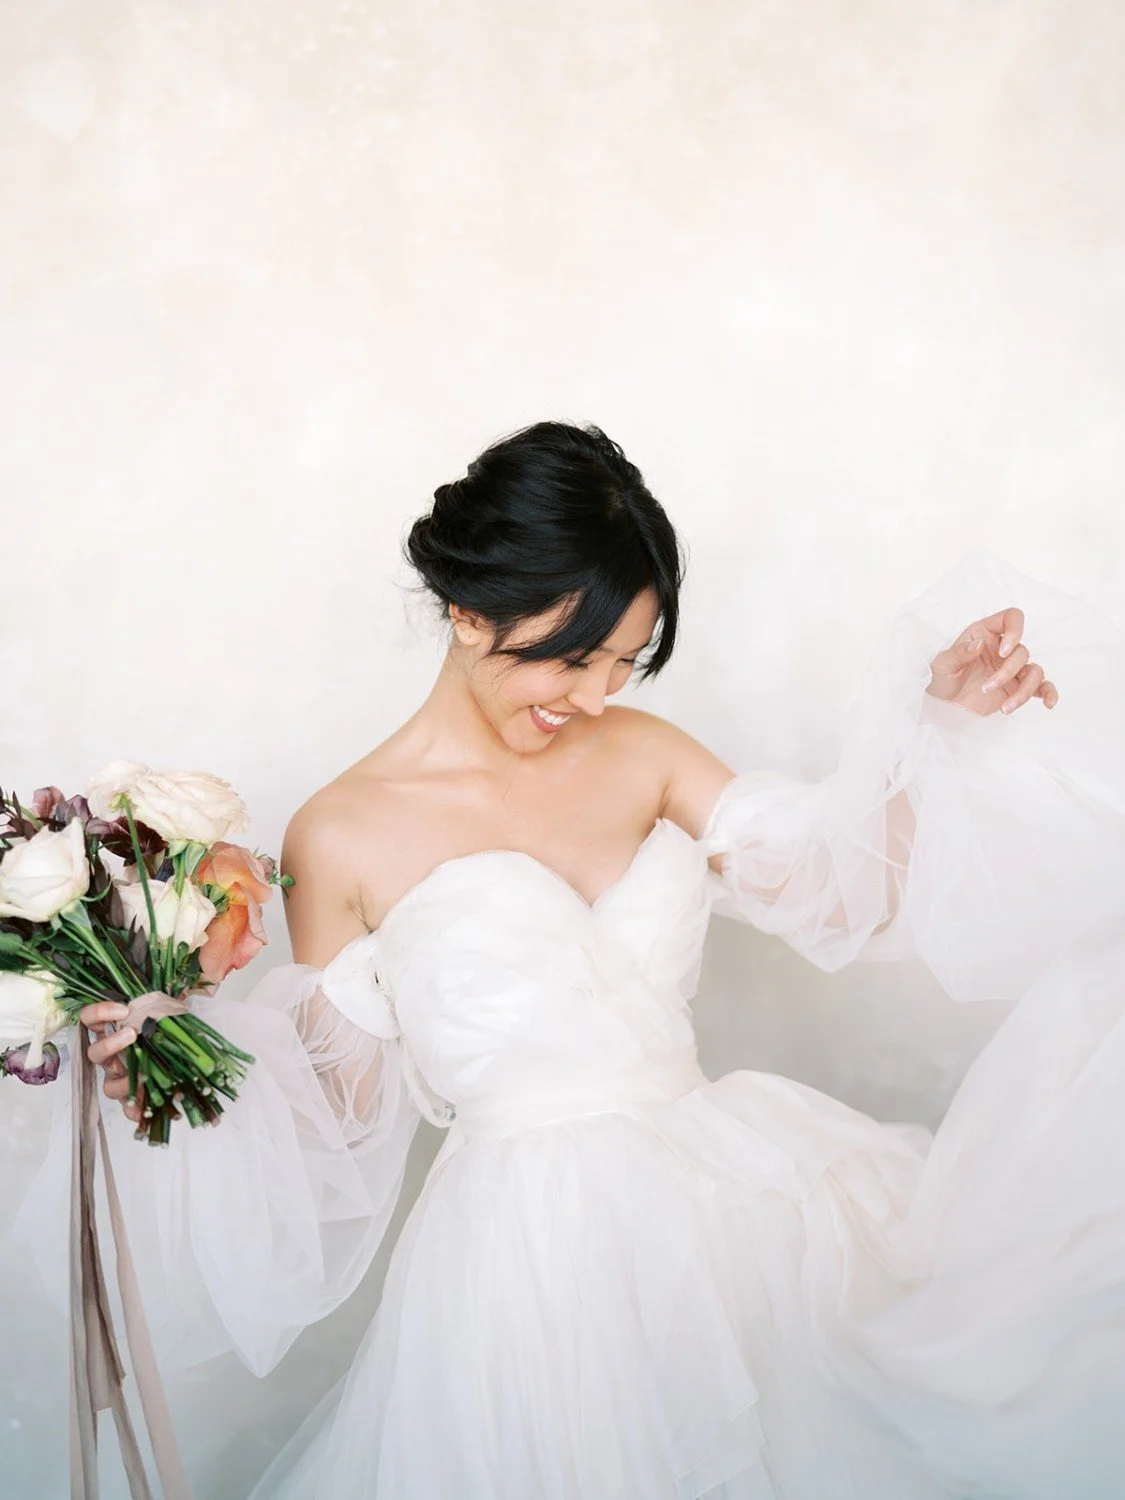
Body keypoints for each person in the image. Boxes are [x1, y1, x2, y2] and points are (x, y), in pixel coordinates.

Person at [45, 423, 1125, 1497]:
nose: (598, 697)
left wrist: (932, 732)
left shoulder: (646, 754)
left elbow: (841, 890)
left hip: (730, 1227)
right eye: (575, 658)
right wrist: (168, 1054)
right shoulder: (340, 835)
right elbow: (335, 1118)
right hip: (531, 1287)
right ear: (470, 613)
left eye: (624, 663)